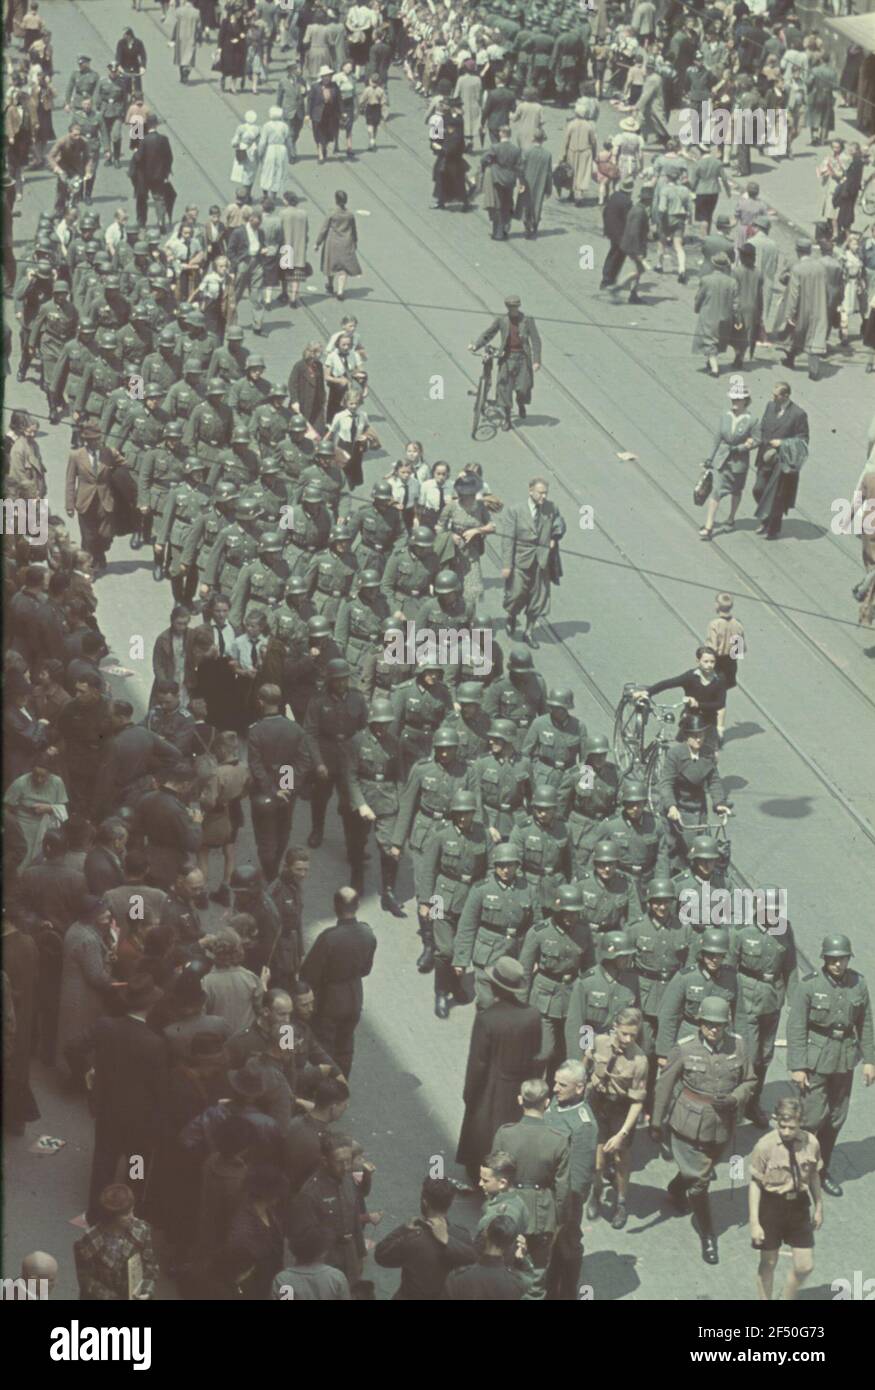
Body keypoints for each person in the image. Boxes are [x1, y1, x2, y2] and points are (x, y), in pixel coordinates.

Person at [652, 996, 755, 1265]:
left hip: (722, 1124)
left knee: (700, 1169)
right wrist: (656, 1121)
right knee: (701, 1181)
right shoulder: (685, 1049)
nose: (714, 1030)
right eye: (709, 1025)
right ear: (700, 1023)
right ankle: (708, 1235)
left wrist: (735, 1098)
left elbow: (750, 1080)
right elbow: (664, 1086)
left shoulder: (739, 1045)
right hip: (688, 1122)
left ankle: (676, 1188)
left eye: (719, 1025)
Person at [787, 933, 875, 1198]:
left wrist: (870, 1060)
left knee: (835, 1119)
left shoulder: (858, 984)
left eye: (843, 959)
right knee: (812, 1118)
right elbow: (796, 1027)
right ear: (825, 959)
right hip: (816, 1059)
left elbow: (866, 1023)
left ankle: (820, 1172)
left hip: (844, 1059)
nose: (838, 964)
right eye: (833, 959)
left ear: (849, 959)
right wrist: (798, 1065)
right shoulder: (810, 986)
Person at [456, 957, 542, 1181]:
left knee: (483, 1136)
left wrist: (470, 1094)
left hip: (491, 1088)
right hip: (519, 1087)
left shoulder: (487, 1018)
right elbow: (536, 1055)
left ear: (494, 986)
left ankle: (480, 1177)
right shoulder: (532, 1015)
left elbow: (478, 1063)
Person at [749, 1096, 823, 1301]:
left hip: (799, 1206)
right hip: (771, 1206)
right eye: (783, 1126)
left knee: (805, 1265)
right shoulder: (764, 1146)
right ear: (777, 1121)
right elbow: (755, 1184)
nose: (787, 1132)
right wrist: (755, 1223)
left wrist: (818, 1207)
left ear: (800, 1123)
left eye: (792, 1127)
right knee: (768, 1263)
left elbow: (815, 1174)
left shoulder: (811, 1142)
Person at [300, 887, 376, 1078]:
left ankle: (325, 1086)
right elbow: (366, 970)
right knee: (346, 1043)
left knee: (325, 1046)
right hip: (355, 996)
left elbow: (309, 974)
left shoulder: (329, 938)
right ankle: (342, 1084)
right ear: (357, 905)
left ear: (335, 907)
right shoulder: (368, 933)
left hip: (330, 999)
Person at [583, 1009, 647, 1230]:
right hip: (597, 1104)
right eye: (624, 1034)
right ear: (615, 1029)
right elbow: (586, 1062)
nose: (628, 1039)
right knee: (598, 1162)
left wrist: (623, 1134)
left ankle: (621, 1202)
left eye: (633, 1035)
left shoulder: (639, 1060)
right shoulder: (599, 1042)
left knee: (620, 1160)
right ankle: (597, 1191)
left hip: (621, 1109)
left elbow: (637, 1102)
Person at [374, 1177, 476, 1299]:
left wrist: (402, 1229)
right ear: (451, 1202)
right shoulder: (462, 1235)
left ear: (425, 1202)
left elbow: (381, 1255)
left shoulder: (413, 1239)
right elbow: (472, 1259)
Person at [500, 478, 565, 646]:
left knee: (538, 598)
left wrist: (554, 537)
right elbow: (507, 540)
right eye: (540, 492)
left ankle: (529, 632)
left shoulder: (551, 508)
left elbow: (559, 524)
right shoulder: (515, 511)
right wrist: (507, 565)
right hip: (520, 561)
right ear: (530, 491)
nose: (543, 496)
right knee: (515, 594)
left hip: (542, 561)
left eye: (545, 493)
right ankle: (512, 616)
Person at [470, 296, 541, 434]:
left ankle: (521, 403)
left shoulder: (527, 321)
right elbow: (489, 334)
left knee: (524, 388)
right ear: (507, 308)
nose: (512, 309)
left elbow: (536, 340)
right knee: (504, 389)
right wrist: (476, 345)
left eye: (515, 307)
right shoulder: (502, 320)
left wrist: (536, 360)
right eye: (510, 307)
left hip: (522, 359)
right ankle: (507, 418)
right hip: (507, 358)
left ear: (518, 307)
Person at [74, 1183, 158, 1300]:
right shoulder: (88, 1241)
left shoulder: (142, 1230)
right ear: (111, 1216)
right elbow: (85, 1278)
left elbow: (151, 1266)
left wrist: (146, 1291)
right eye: (126, 1214)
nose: (132, 1217)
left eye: (132, 1210)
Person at [698, 379, 757, 540]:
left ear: (745, 400)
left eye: (738, 399)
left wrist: (742, 447)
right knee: (717, 491)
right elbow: (718, 437)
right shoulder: (725, 415)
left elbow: (757, 440)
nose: (735, 402)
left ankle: (731, 517)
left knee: (736, 490)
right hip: (723, 460)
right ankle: (709, 525)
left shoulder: (752, 420)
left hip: (739, 462)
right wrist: (710, 458)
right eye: (733, 399)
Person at [783, 239, 829, 381]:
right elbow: (826, 289)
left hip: (803, 307)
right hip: (820, 306)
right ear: (809, 250)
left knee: (798, 334)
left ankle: (790, 359)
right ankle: (813, 369)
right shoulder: (821, 267)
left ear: (798, 251)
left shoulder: (797, 269)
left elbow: (794, 294)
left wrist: (790, 313)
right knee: (816, 337)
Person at [692, 252, 741, 377]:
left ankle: (715, 369)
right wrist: (737, 319)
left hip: (708, 315)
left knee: (709, 340)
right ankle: (710, 360)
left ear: (713, 265)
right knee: (717, 341)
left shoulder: (706, 280)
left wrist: (697, 308)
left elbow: (699, 297)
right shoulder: (732, 282)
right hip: (726, 316)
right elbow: (736, 303)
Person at [314, 189, 361, 301]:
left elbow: (324, 229)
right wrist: (355, 241)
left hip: (333, 242)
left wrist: (318, 243)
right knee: (343, 268)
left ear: (336, 200)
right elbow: (354, 230)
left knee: (331, 266)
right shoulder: (350, 215)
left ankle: (330, 285)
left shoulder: (332, 213)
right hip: (346, 243)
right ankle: (340, 291)